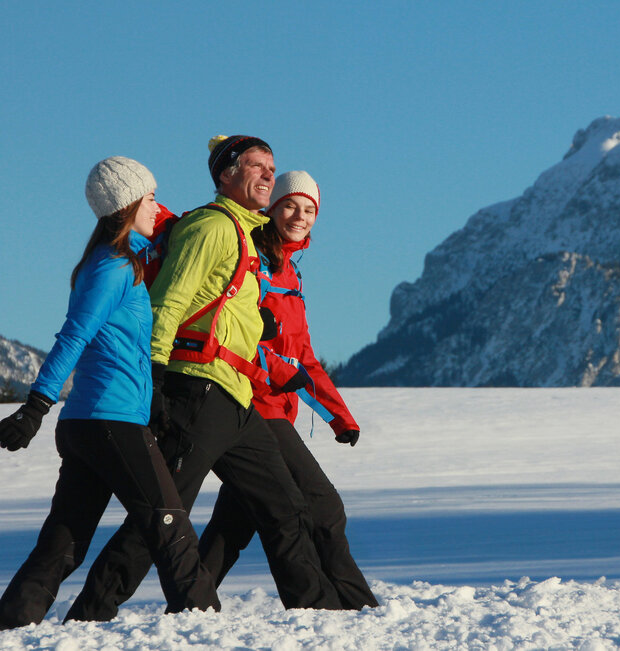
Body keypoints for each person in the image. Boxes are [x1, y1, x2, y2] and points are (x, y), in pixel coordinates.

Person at [65, 137, 343, 622]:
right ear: (225, 176)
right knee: (162, 517)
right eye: (255, 166)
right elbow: (168, 303)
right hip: (195, 391)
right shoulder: (212, 228)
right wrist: (152, 376)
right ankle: (93, 612)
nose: (266, 176)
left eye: (271, 168)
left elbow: (227, 313)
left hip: (234, 395)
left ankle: (320, 616)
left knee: (286, 508)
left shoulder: (246, 235)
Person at [0, 157, 220, 629]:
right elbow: (73, 336)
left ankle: (13, 625)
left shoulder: (121, 262)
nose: (158, 205)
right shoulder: (114, 267)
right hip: (109, 420)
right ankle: (204, 621)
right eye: (152, 196)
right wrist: (35, 407)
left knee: (65, 542)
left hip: (95, 422)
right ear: (126, 204)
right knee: (169, 523)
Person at [199, 171, 378, 609]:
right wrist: (277, 372)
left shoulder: (289, 273)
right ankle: (354, 606)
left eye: (310, 209)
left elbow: (305, 358)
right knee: (323, 507)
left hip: (277, 406)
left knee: (235, 522)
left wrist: (340, 415)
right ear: (272, 207)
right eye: (291, 205)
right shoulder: (252, 261)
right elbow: (237, 336)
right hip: (252, 404)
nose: (300, 216)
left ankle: (191, 599)